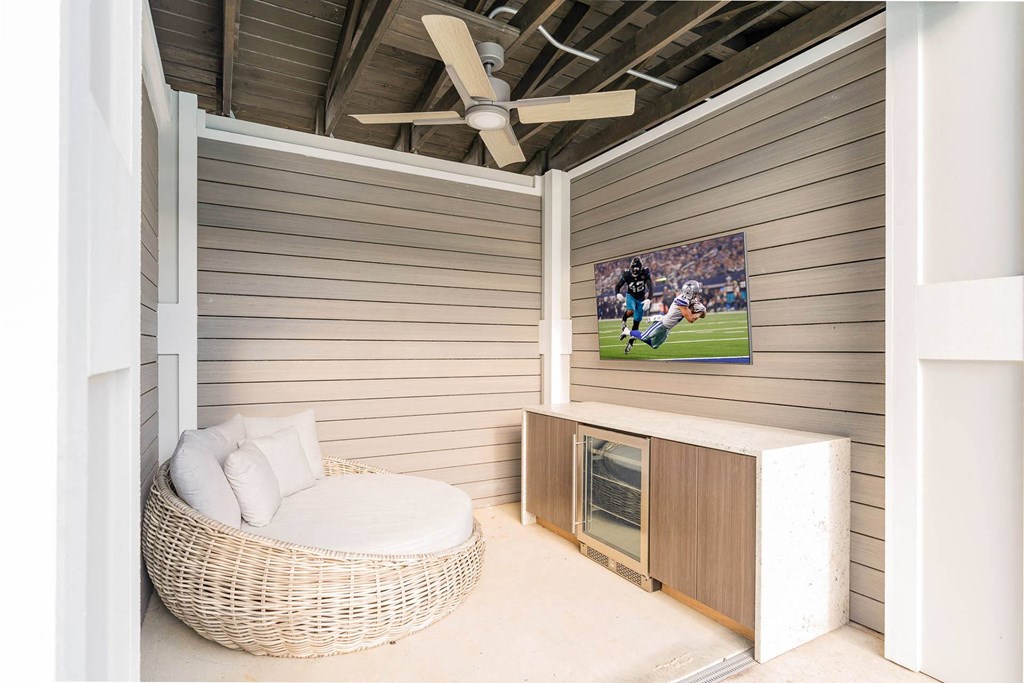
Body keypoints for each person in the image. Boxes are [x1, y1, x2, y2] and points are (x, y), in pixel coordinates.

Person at [626, 280, 705, 352]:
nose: (696, 295)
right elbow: (690, 319)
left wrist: (702, 311)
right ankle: (627, 331)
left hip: (666, 328)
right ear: (689, 292)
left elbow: (703, 316)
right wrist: (701, 312)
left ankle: (634, 335)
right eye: (695, 293)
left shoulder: (690, 300)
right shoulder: (682, 301)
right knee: (644, 337)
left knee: (654, 345)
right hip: (662, 323)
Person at [614, 257, 654, 353]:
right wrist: (617, 293)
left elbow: (650, 286)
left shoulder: (644, 273)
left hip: (641, 299)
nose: (635, 271)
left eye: (637, 269)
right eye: (634, 268)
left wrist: (649, 299)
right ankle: (624, 321)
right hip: (631, 296)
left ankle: (630, 343)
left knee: (636, 322)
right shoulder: (627, 274)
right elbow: (618, 286)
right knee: (631, 310)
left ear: (640, 268)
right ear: (631, 268)